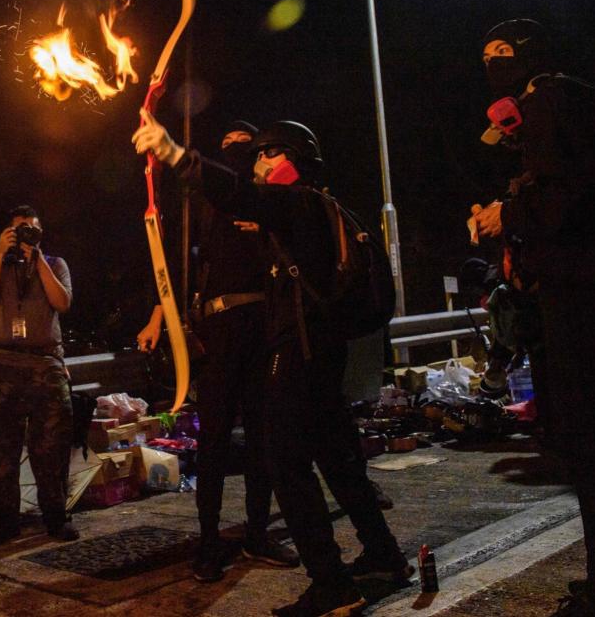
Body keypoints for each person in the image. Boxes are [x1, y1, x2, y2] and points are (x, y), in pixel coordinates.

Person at [134, 115, 408, 617]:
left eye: (266, 153)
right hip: (323, 350)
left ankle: (331, 583)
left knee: (285, 461)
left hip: (298, 348)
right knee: (337, 458)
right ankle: (384, 555)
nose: (257, 162)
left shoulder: (297, 201)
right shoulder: (316, 207)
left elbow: (240, 193)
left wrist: (176, 154)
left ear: (292, 159)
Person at [469, 19, 595, 615]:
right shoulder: (579, 103)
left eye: (502, 54)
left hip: (586, 303)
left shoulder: (549, 101)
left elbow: (570, 195)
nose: (491, 66)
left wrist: (509, 212)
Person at [136, 121, 299, 581]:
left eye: (243, 145)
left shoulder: (263, 199)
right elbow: (175, 267)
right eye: (224, 143)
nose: (233, 149)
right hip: (218, 330)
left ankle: (257, 532)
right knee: (213, 441)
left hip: (262, 326)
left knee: (262, 438)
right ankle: (208, 541)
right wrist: (158, 318)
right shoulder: (204, 202)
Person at [0, 205, 78, 545]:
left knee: (50, 450)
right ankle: (5, 523)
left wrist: (38, 259)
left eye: (31, 230)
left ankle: (56, 519)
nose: (24, 236)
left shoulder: (56, 264)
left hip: (45, 365)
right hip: (4, 365)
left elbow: (62, 303)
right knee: (4, 450)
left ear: (40, 235)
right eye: (19, 230)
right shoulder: (1, 264)